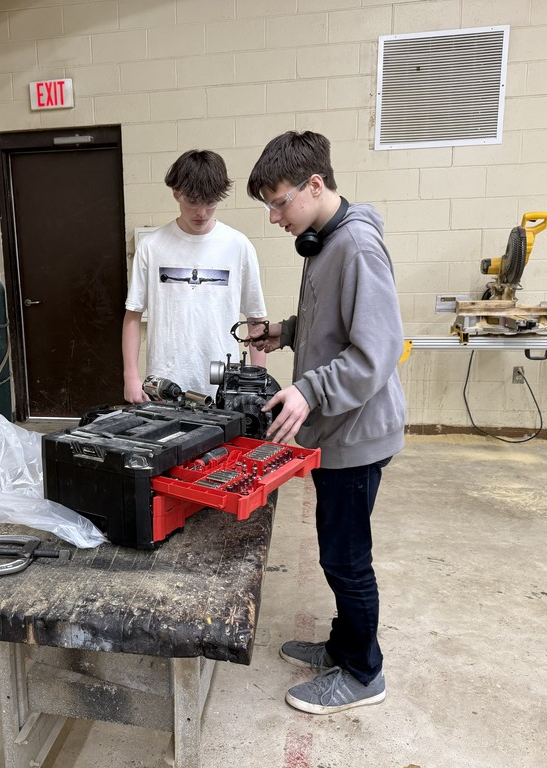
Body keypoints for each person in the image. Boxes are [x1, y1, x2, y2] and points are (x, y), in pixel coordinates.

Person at [245, 131, 406, 715]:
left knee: (345, 556)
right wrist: (283, 333)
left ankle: (365, 673)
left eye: (279, 201)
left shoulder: (356, 247)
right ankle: (343, 645)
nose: (273, 216)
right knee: (338, 547)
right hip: (339, 426)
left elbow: (376, 351)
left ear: (315, 185)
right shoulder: (324, 241)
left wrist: (308, 389)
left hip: (357, 433)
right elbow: (328, 323)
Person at [123, 150, 267, 402]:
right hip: (164, 383)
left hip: (223, 385)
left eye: (210, 202)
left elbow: (256, 320)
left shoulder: (238, 245)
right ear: (176, 193)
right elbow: (132, 316)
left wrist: (257, 383)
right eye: (192, 201)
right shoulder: (152, 246)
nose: (201, 212)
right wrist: (130, 377)